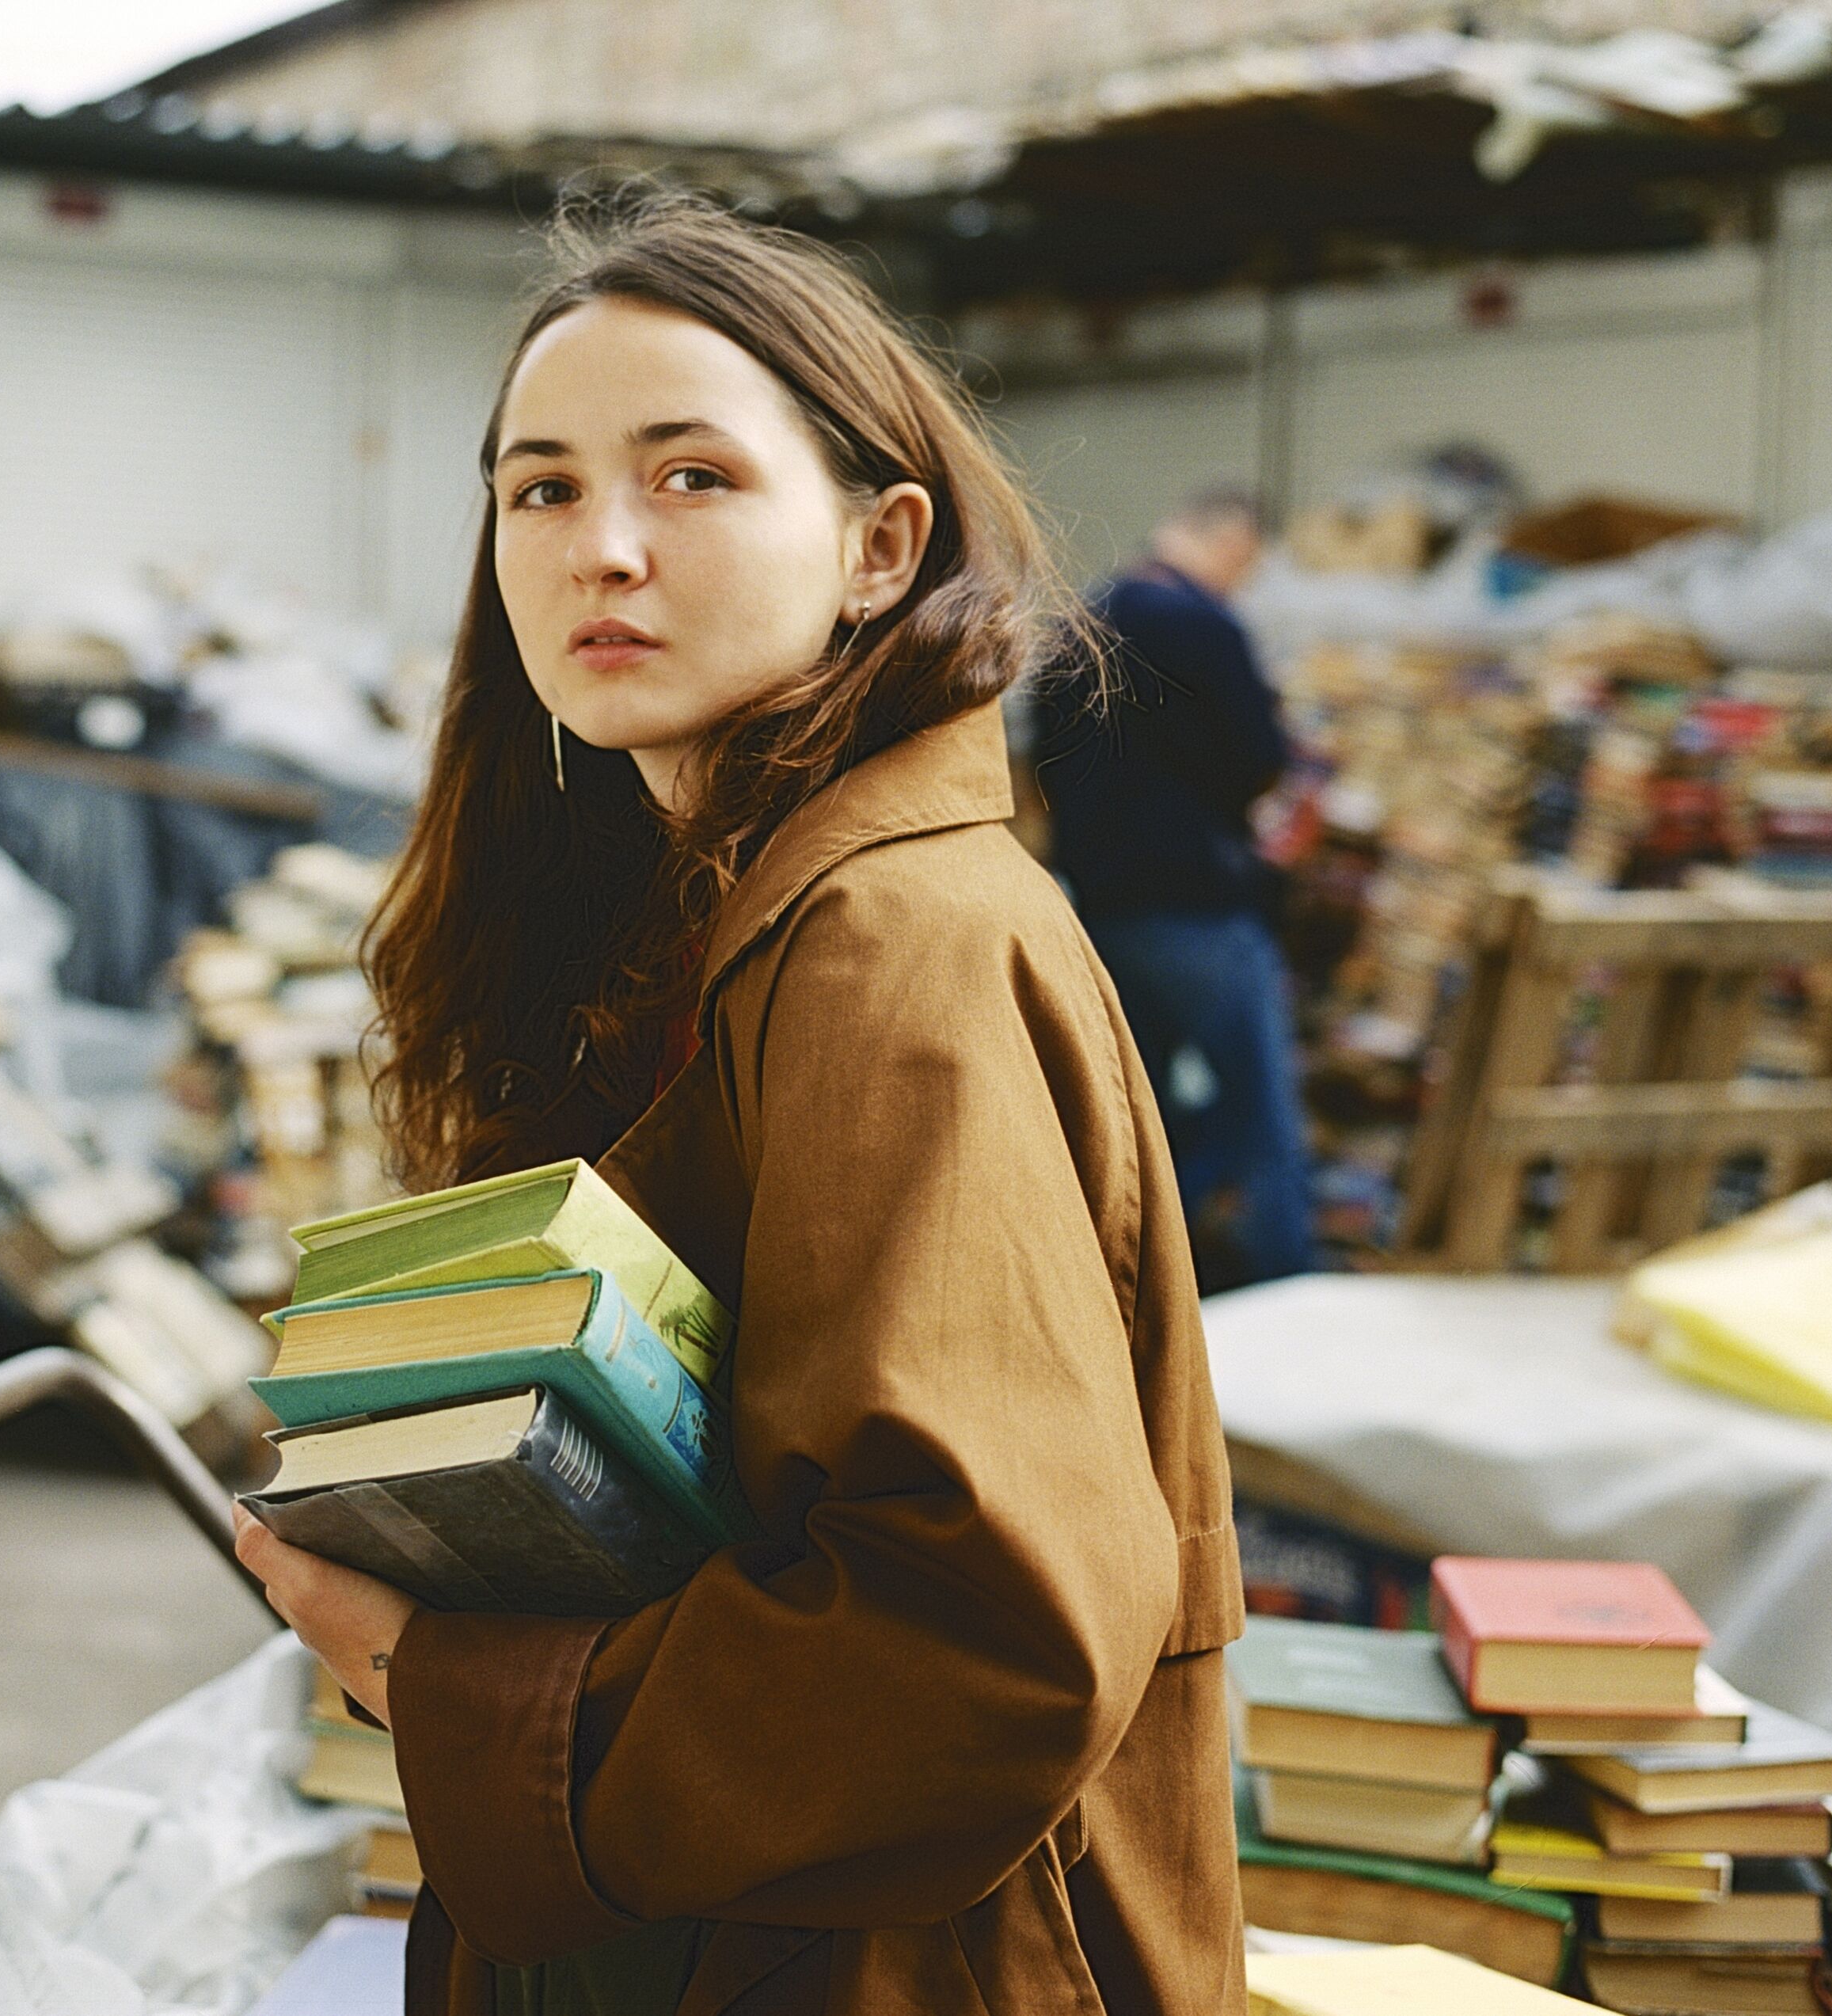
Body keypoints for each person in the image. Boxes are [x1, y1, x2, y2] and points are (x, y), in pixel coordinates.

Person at [231, 192, 1245, 2015]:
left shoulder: (884, 937)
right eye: (539, 489)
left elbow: (977, 1639)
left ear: (878, 545)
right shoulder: (709, 899)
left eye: (688, 477)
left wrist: (434, 1670)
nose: (599, 547)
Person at [1032, 493, 1315, 1287]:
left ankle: (1139, 1285)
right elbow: (1259, 757)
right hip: (1198, 904)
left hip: (1106, 906)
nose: (1244, 579)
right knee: (1261, 1115)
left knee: (1138, 1118)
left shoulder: (1082, 621)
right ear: (1226, 538)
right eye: (1248, 561)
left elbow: (1042, 760)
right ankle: (1288, 1288)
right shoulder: (1205, 625)